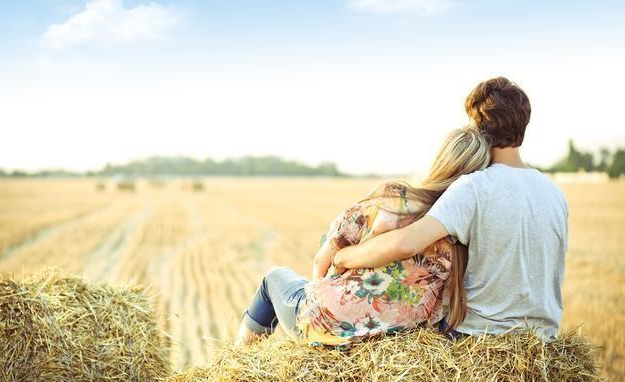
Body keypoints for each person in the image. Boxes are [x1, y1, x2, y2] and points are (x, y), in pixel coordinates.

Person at [333, 76, 569, 341]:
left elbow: (405, 244)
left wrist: (344, 257)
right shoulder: (555, 193)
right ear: (524, 125)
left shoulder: (474, 188)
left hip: (479, 335)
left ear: (478, 128)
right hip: (544, 340)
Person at [235, 126, 490, 347]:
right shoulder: (458, 231)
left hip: (329, 325)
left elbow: (321, 263)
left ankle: (239, 365)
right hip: (398, 338)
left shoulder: (392, 198)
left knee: (273, 278)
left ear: (440, 160)